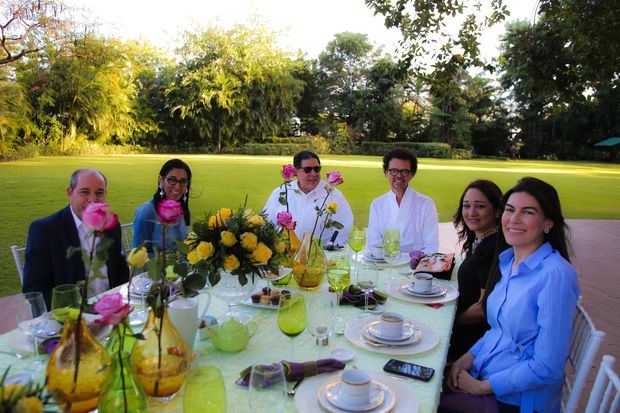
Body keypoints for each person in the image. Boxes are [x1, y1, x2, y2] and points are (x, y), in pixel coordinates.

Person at [440, 177, 580, 413]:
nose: (513, 219)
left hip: (515, 401)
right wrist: (468, 357)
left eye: (527, 212)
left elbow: (548, 367)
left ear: (548, 222)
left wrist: (481, 387)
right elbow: (499, 330)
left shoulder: (555, 275)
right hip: (486, 374)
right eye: (510, 209)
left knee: (419, 402)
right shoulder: (509, 263)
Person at [22, 168, 129, 307]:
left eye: (99, 193)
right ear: (70, 192)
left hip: (110, 308)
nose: (92, 199)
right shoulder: (45, 230)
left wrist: (118, 300)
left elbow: (120, 267)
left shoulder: (111, 225)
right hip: (70, 317)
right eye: (84, 192)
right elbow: (35, 288)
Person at [448, 179, 503, 361]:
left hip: (472, 343)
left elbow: (482, 310)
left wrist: (449, 323)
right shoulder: (481, 241)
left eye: (480, 206)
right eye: (466, 205)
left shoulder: (491, 250)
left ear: (497, 211)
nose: (471, 212)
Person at [263, 150, 354, 245]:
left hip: (320, 256)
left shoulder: (334, 196)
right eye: (308, 169)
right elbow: (266, 224)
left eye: (317, 169)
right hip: (284, 255)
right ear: (295, 172)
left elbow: (344, 231)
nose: (313, 174)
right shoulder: (281, 192)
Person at [367, 147, 439, 254]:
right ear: (386, 172)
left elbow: (431, 246)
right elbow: (374, 244)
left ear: (412, 174)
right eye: (394, 171)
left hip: (415, 266)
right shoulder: (377, 204)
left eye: (404, 171)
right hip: (385, 264)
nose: (399, 176)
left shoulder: (426, 204)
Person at [133, 159, 192, 253]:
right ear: (161, 180)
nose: (177, 186)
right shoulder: (146, 212)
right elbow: (138, 255)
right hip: (157, 267)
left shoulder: (183, 209)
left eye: (183, 181)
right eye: (172, 180)